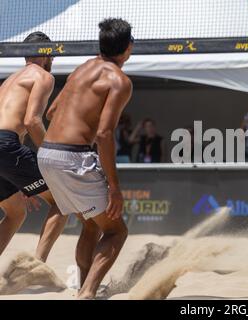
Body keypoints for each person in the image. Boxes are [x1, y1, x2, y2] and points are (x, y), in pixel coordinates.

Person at [37, 18, 133, 299]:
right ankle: (88, 292)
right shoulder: (119, 80)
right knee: (116, 231)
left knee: (91, 222)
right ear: (128, 48)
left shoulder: (81, 70)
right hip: (72, 157)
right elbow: (104, 134)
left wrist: (78, 122)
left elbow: (51, 112)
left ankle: (84, 285)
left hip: (47, 153)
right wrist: (114, 188)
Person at [0, 32, 67, 261]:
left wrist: (19, 178)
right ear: (47, 55)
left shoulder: (10, 80)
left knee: (15, 212)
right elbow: (32, 121)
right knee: (62, 201)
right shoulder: (43, 77)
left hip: (6, 147)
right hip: (6, 145)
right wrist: (52, 157)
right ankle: (36, 266)